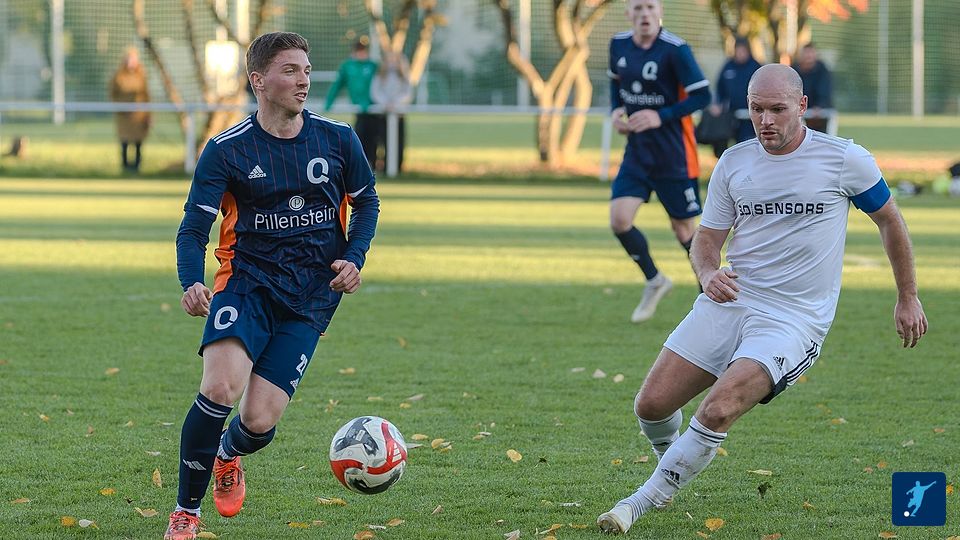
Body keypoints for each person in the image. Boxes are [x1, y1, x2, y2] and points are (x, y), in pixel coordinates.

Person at [597, 64, 927, 534]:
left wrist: (907, 295)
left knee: (718, 407)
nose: (766, 120)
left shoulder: (844, 159)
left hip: (793, 320)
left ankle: (642, 499)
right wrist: (707, 272)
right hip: (730, 302)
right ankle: (672, 462)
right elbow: (706, 238)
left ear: (802, 106)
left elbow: (890, 220)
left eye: (777, 109)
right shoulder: (735, 162)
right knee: (650, 406)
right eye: (756, 109)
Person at [166, 32, 379, 540]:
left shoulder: (338, 140)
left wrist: (354, 257)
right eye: (290, 70)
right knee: (220, 387)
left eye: (306, 70)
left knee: (259, 420)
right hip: (247, 284)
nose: (303, 80)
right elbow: (193, 228)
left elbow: (367, 202)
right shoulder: (227, 150)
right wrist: (191, 281)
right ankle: (185, 514)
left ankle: (227, 453)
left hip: (311, 296)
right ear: (258, 81)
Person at [607, 0, 711, 323]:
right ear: (628, 13)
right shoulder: (618, 45)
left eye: (650, 7)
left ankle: (711, 299)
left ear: (660, 11)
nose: (645, 14)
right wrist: (617, 111)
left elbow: (703, 96)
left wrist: (660, 116)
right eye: (638, 8)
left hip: (674, 155)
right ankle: (655, 280)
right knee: (619, 220)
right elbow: (616, 83)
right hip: (638, 153)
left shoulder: (675, 50)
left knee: (683, 229)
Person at [324, 37, 379, 168]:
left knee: (375, 138)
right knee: (360, 136)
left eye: (363, 50)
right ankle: (363, 165)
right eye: (359, 50)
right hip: (360, 110)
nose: (361, 53)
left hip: (376, 110)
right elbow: (337, 85)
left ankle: (375, 165)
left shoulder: (373, 66)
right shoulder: (347, 66)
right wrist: (329, 101)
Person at [706, 36, 761, 156]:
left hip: (749, 118)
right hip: (730, 116)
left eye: (743, 50)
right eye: (738, 50)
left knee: (747, 147)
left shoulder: (756, 67)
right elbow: (720, 89)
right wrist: (717, 104)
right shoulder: (728, 66)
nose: (740, 54)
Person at [109, 47, 151, 173]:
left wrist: (148, 115)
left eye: (133, 59)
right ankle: (125, 167)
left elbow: (146, 96)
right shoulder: (118, 76)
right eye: (129, 59)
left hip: (139, 116)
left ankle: (137, 167)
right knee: (124, 142)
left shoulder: (142, 76)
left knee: (138, 142)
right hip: (124, 116)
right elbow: (113, 95)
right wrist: (121, 107)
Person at [370, 51, 413, 173]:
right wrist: (385, 103)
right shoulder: (380, 76)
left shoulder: (404, 76)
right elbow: (375, 92)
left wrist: (396, 103)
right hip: (383, 114)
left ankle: (398, 167)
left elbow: (407, 93)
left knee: (399, 142)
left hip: (398, 114)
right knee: (383, 141)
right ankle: (384, 166)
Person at [792, 43, 832, 133]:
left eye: (810, 53)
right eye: (806, 53)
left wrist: (820, 106)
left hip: (818, 111)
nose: (808, 56)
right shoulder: (794, 70)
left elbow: (825, 90)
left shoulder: (822, 70)